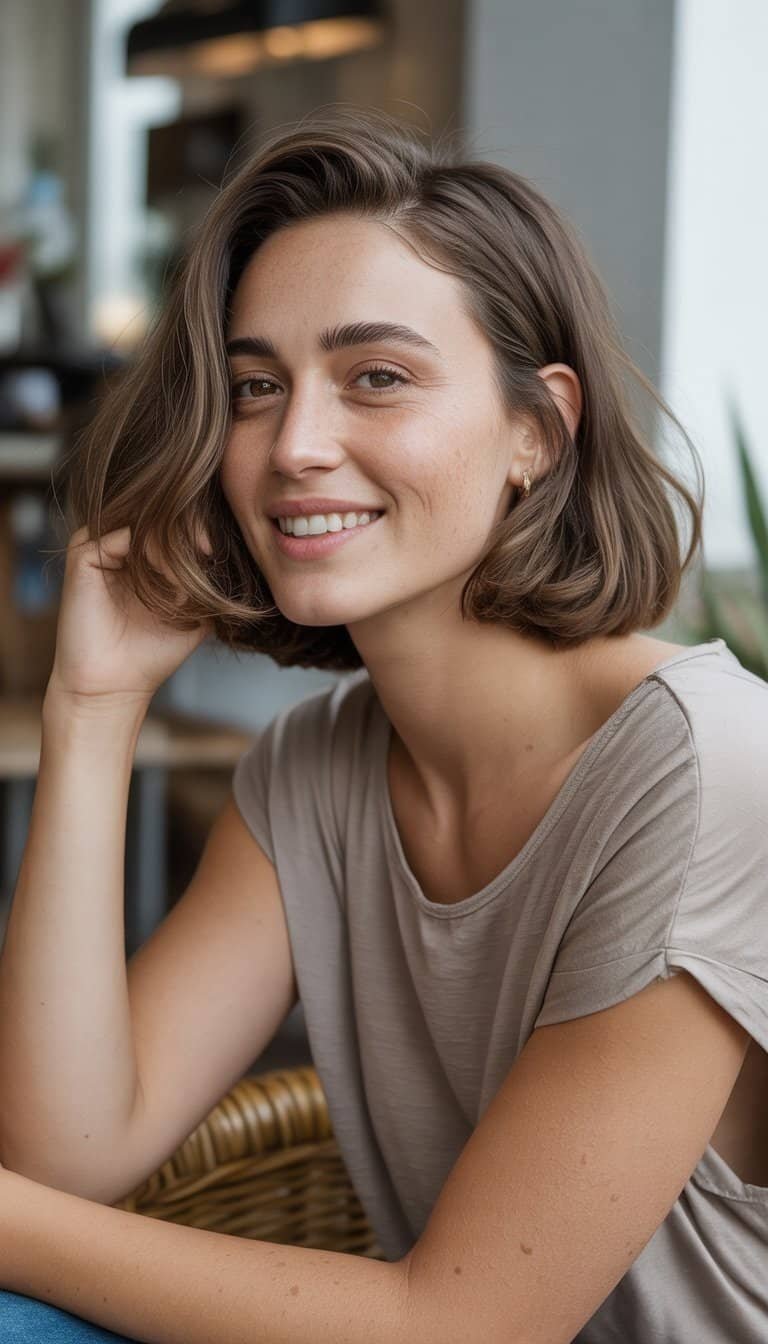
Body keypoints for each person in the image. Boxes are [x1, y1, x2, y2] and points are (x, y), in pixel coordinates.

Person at [0, 105, 765, 1344]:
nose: (293, 444)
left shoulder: (707, 770)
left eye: (378, 378)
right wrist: (92, 707)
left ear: (537, 430)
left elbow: (465, 1326)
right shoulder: (319, 771)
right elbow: (69, 1153)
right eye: (257, 387)